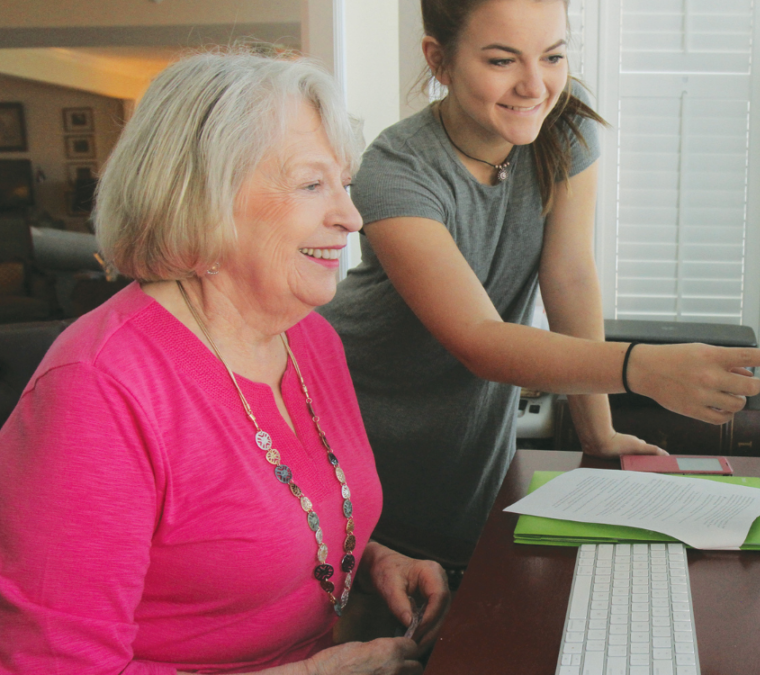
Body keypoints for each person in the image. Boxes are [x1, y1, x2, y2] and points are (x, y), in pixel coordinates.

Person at [0, 51, 449, 675]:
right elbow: (53, 666)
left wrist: (372, 561)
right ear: (202, 194)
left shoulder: (311, 338)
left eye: (344, 184)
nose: (351, 216)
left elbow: (247, 530)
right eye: (312, 184)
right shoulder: (97, 389)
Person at [319, 0, 760, 573]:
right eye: (501, 60)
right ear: (439, 61)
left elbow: (568, 275)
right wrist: (642, 367)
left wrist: (600, 432)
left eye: (553, 56)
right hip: (364, 424)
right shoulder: (396, 171)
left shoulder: (563, 124)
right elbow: (478, 338)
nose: (534, 85)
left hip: (470, 439)